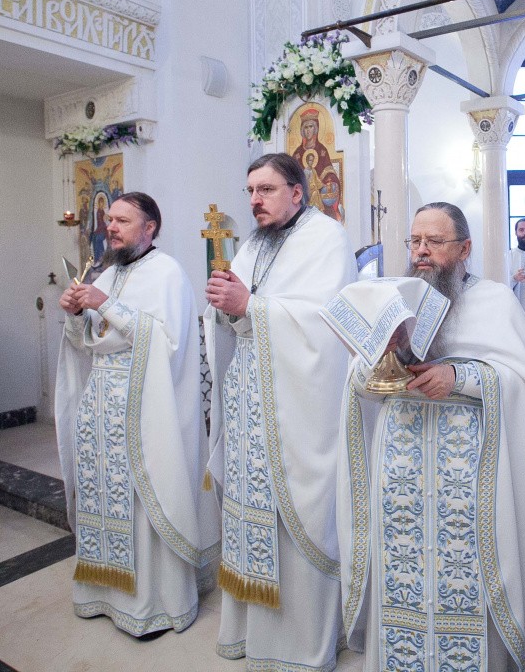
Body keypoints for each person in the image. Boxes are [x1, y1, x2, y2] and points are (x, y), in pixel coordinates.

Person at [329, 202, 525, 672]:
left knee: (466, 572)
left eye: (434, 242)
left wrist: (460, 377)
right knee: (401, 571)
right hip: (400, 474)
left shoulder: (494, 301)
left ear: (465, 248)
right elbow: (358, 384)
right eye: (415, 241)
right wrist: (378, 358)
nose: (421, 252)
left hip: (469, 475)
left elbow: (524, 387)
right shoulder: (391, 300)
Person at [203, 153, 356, 670]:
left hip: (299, 409)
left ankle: (303, 645)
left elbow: (328, 324)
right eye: (250, 190)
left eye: (266, 190)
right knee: (249, 513)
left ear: (297, 191)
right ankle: (251, 633)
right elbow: (238, 316)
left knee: (300, 517)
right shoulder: (252, 245)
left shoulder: (326, 239)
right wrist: (224, 308)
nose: (255, 200)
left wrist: (251, 307)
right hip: (250, 404)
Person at [55, 192, 220, 638]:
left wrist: (104, 303)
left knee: (143, 502)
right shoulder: (108, 273)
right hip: (102, 411)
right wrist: (75, 314)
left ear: (150, 228)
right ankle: (104, 594)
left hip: (147, 411)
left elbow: (168, 342)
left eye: (123, 221)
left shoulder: (167, 273)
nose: (111, 227)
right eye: (110, 219)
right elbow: (86, 343)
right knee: (104, 498)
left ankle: (155, 604)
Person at [291, 108, 344, 221]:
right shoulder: (297, 153)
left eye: (311, 126)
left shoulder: (322, 150)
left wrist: (329, 182)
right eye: (305, 127)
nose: (308, 130)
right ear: (302, 130)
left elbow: (329, 172)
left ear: (316, 128)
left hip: (318, 194)